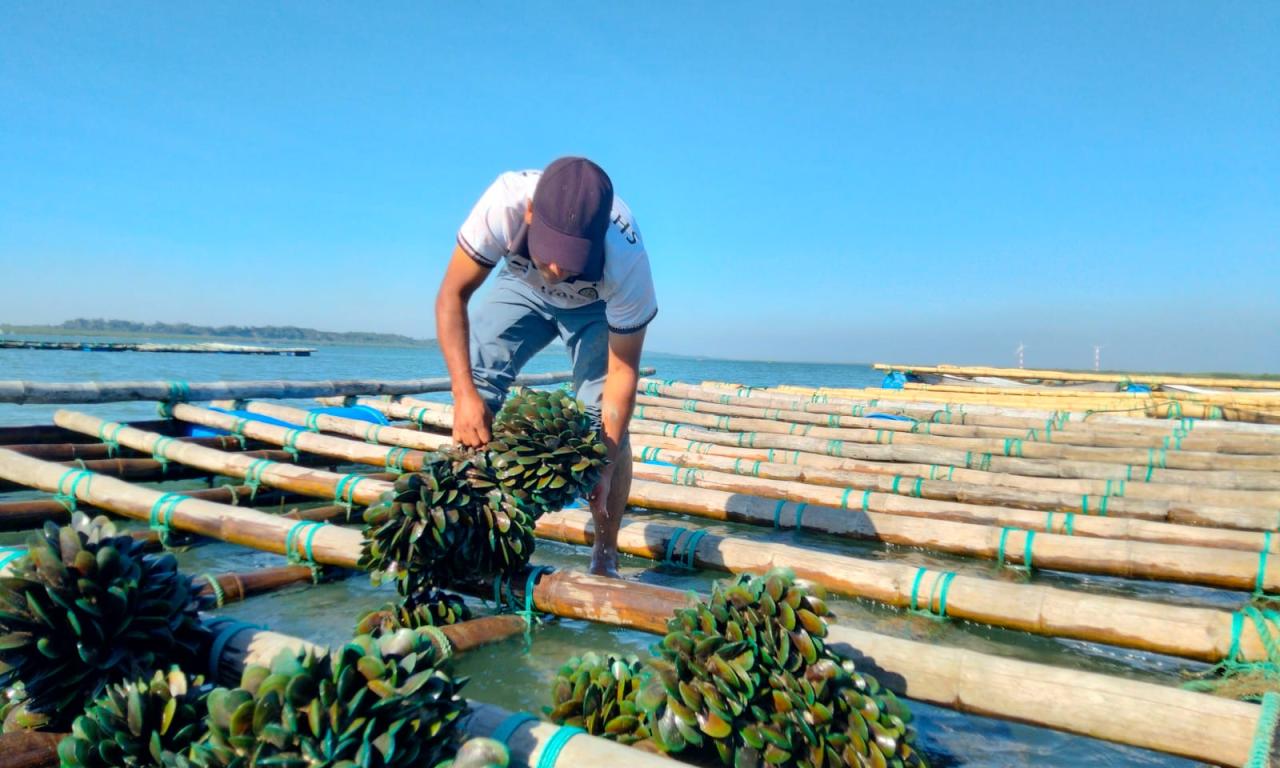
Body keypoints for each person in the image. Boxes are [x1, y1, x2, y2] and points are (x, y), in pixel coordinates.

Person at [435, 156, 657, 577]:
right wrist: (463, 395)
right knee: (477, 384)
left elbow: (623, 373)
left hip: (596, 308)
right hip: (520, 287)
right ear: (531, 214)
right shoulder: (504, 202)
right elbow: (452, 295)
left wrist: (605, 463)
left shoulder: (627, 259)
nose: (557, 269)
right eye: (550, 252)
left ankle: (604, 553)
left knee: (603, 426)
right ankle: (465, 530)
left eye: (573, 258)